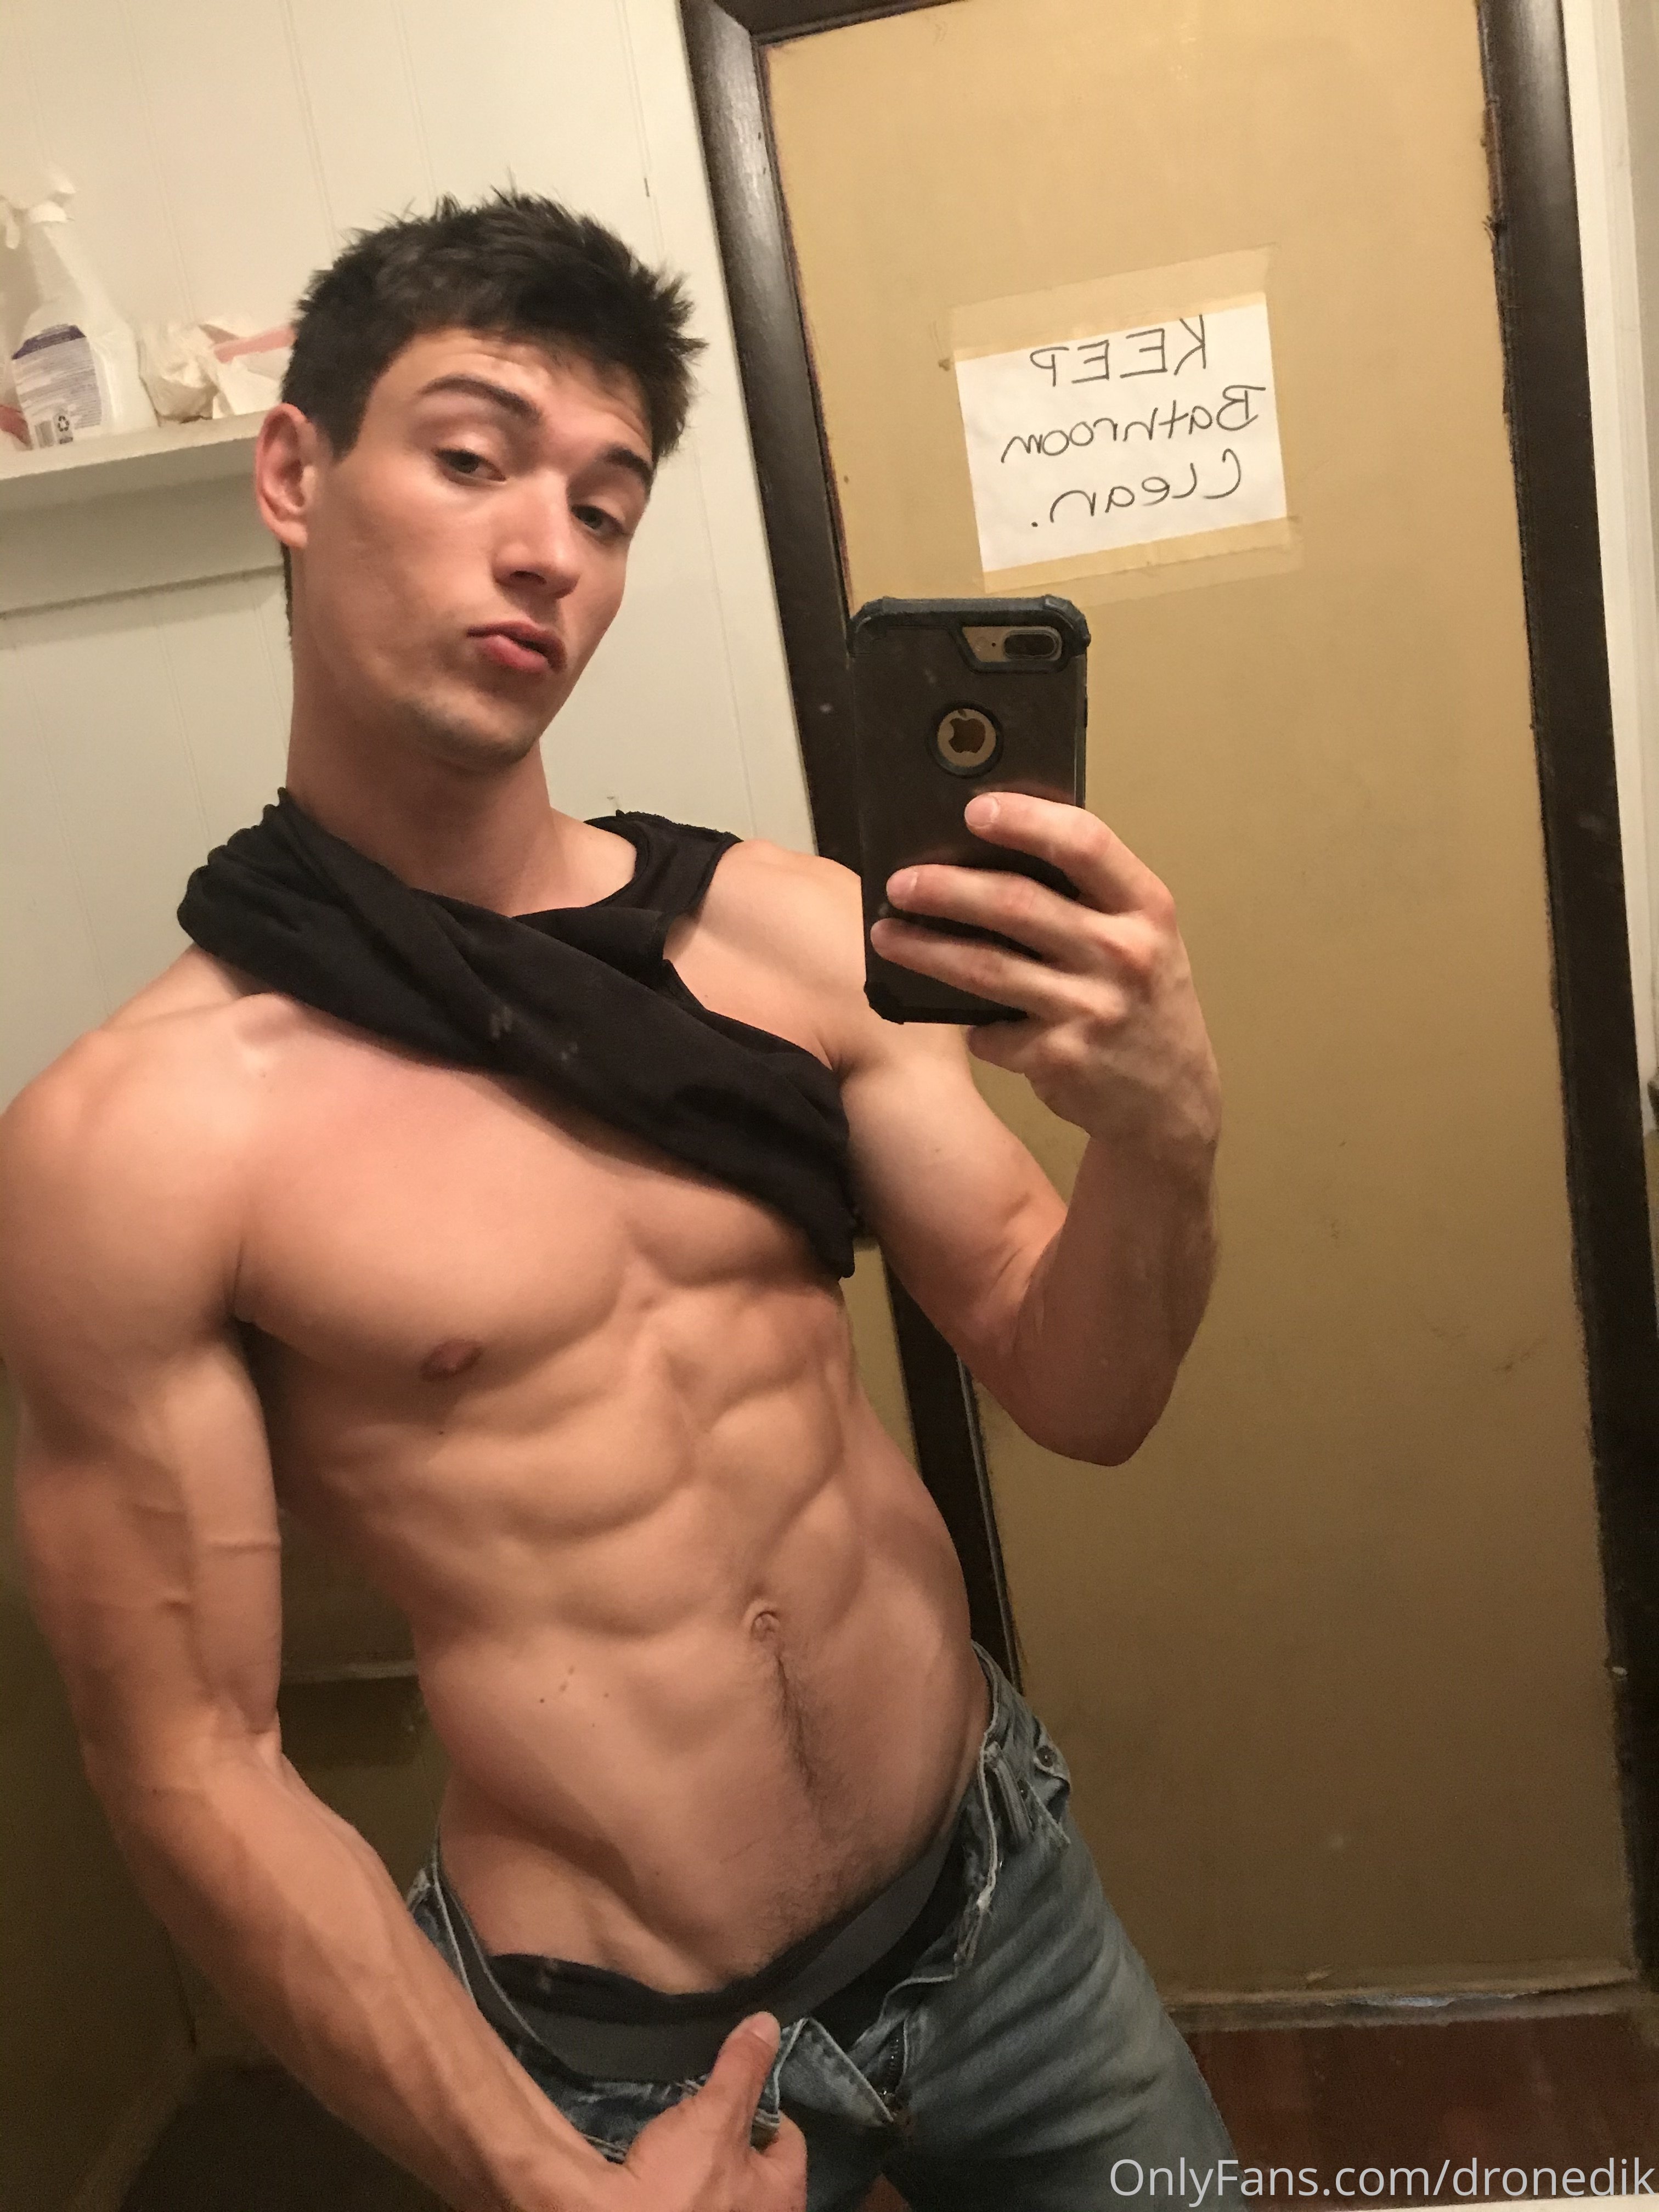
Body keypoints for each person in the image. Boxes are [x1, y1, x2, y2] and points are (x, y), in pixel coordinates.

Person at [0, 193, 1231, 2212]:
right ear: (294, 471)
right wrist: (546, 2190)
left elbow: (1081, 1383)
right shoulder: (136, 1142)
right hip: (607, 2067)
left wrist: (1165, 1139)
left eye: (606, 502)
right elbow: (189, 1759)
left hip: (1002, 1904)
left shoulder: (795, 939)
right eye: (471, 459)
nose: (547, 548)